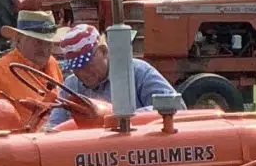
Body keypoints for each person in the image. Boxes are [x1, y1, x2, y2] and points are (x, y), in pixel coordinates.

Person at [47, 23, 177, 129]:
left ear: (103, 51)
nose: (81, 73)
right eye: (75, 68)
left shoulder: (138, 72)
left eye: (86, 64)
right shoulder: (71, 85)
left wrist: (120, 118)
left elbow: (174, 107)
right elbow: (55, 125)